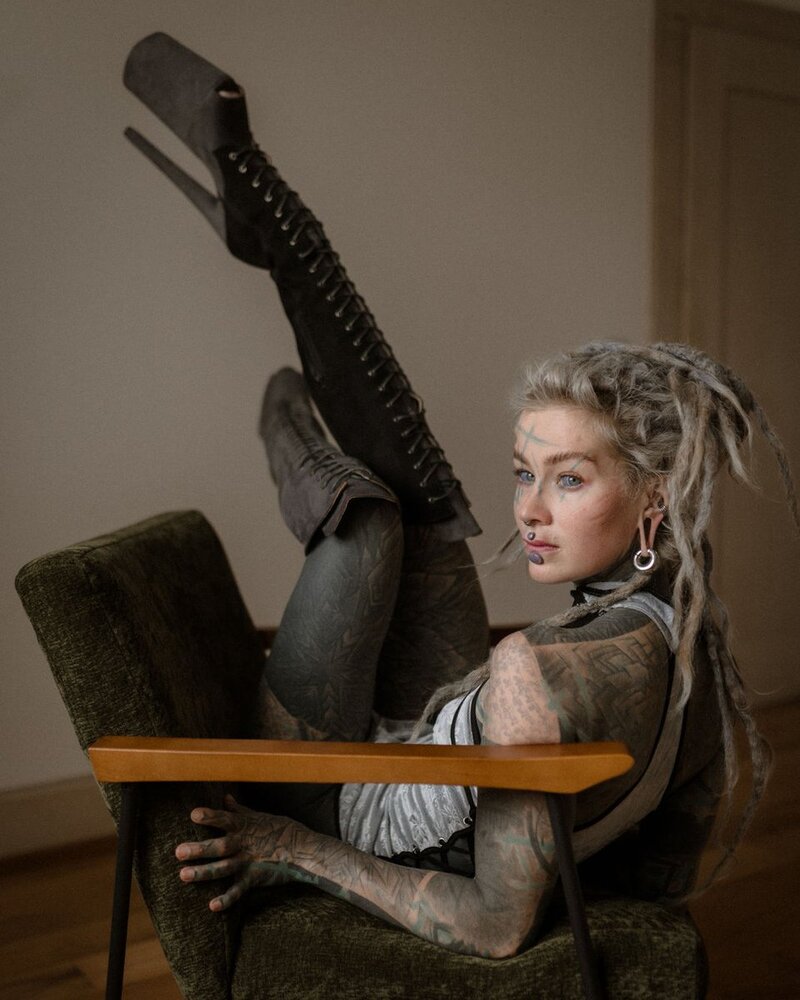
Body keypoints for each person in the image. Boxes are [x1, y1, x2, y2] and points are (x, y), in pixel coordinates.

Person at [122, 33, 798, 959]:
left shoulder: (534, 679)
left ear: (656, 496)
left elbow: (493, 924)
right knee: (427, 501)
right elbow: (667, 860)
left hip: (332, 790)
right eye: (526, 473)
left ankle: (282, 416)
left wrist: (291, 846)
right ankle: (270, 232)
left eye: (569, 480)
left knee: (369, 523)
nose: (529, 511)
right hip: (441, 732)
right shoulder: (692, 629)